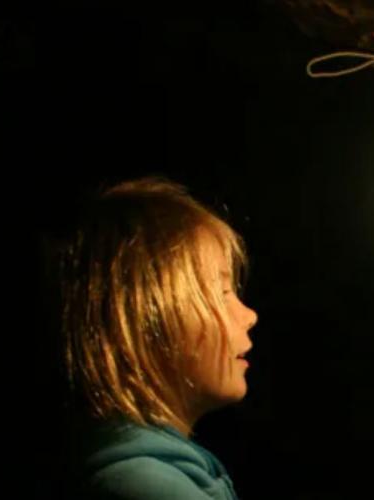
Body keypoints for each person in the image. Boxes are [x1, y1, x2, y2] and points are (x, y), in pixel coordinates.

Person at [58, 177, 257, 499]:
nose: (249, 315)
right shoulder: (145, 487)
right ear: (148, 313)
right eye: (221, 293)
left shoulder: (167, 473)